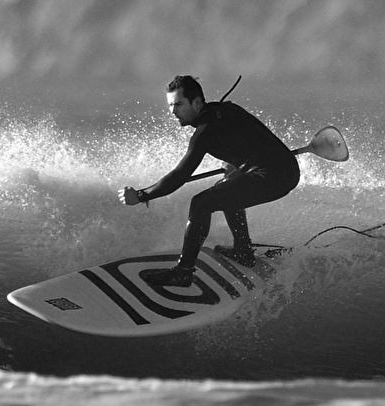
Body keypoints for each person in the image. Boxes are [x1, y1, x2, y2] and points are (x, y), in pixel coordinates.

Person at [122, 75, 301, 287]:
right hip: (282, 167)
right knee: (223, 188)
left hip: (275, 175)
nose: (173, 111)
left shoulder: (205, 131)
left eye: (178, 104)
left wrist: (142, 195)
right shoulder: (224, 110)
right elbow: (250, 137)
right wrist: (236, 162)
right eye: (171, 105)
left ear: (197, 102)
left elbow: (180, 175)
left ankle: (183, 272)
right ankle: (243, 251)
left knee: (201, 203)